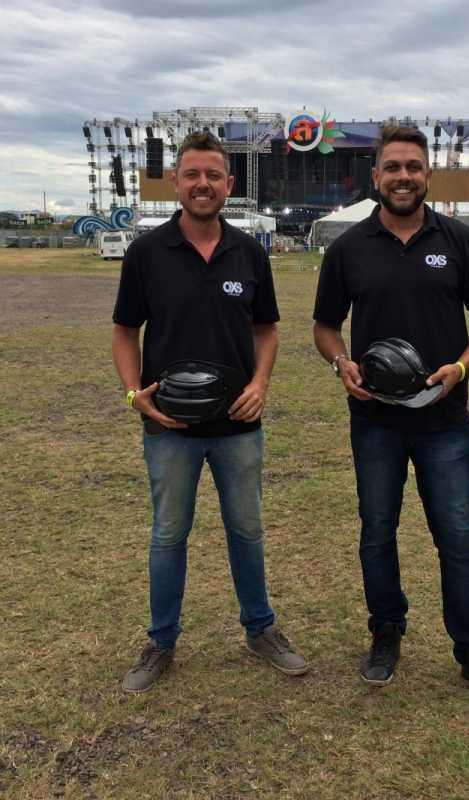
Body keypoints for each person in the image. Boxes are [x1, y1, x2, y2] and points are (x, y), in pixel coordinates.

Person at [313, 124, 469, 711]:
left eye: (413, 166)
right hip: (376, 419)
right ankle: (386, 631)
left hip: (445, 421)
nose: (403, 176)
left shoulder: (460, 241)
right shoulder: (348, 248)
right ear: (374, 176)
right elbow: (325, 328)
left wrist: (460, 367)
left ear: (427, 174)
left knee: (458, 539)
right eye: (392, 167)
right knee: (377, 534)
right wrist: (340, 365)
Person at [111, 131, 308, 692]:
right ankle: (161, 641)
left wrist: (262, 382)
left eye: (213, 175)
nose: (203, 184)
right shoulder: (146, 253)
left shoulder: (249, 251)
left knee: (246, 529)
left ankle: (260, 629)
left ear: (228, 183)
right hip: (167, 425)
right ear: (175, 183)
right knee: (169, 534)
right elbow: (125, 332)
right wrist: (134, 393)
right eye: (192, 175)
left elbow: (266, 330)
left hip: (238, 425)